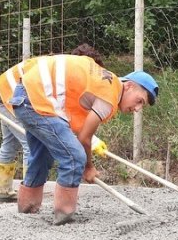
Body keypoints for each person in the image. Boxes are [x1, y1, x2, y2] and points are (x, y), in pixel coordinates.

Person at [10, 54, 159, 225]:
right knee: (74, 157)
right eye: (139, 101)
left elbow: (81, 130)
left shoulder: (106, 81)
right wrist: (89, 167)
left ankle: (27, 208)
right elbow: (84, 139)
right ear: (129, 86)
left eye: (141, 105)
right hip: (36, 98)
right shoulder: (109, 95)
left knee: (42, 154)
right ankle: (64, 215)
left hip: (28, 95)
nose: (138, 108)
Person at [0, 43, 105, 202]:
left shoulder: (59, 66)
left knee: (10, 143)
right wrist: (90, 139)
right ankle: (30, 192)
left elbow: (60, 116)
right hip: (12, 96)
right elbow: (57, 115)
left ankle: (4, 191)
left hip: (3, 91)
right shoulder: (63, 74)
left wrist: (90, 138)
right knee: (31, 143)